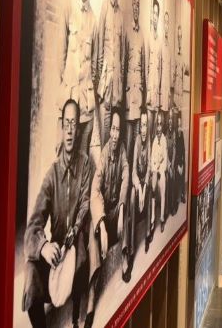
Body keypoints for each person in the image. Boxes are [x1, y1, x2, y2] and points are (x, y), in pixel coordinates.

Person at [22, 99, 92, 328]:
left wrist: (75, 230)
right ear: (62, 129)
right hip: (57, 252)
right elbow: (32, 228)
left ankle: (76, 316)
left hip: (77, 249)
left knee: (81, 250)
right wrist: (44, 246)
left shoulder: (85, 165)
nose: (70, 130)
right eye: (66, 124)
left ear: (78, 129)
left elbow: (85, 203)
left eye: (74, 124)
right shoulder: (51, 175)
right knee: (31, 270)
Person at [86, 108, 129, 327]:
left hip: (115, 213)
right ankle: (91, 299)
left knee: (127, 207)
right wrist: (101, 224)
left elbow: (126, 177)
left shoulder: (122, 151)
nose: (114, 134)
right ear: (109, 130)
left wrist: (121, 207)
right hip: (105, 215)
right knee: (92, 234)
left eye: (118, 130)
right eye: (112, 129)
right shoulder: (103, 155)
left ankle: (125, 256)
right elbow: (95, 191)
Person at [57, 0, 97, 155]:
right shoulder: (67, 4)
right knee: (64, 159)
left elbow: (95, 66)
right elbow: (60, 55)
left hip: (87, 110)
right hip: (69, 102)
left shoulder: (93, 19)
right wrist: (67, 86)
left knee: (82, 160)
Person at [95, 0, 125, 147]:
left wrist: (120, 87)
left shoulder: (121, 15)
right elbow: (99, 49)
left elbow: (121, 58)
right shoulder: (104, 7)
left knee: (115, 143)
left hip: (117, 94)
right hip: (105, 90)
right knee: (105, 142)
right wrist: (99, 85)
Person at [126, 108, 151, 282]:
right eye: (141, 125)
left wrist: (144, 186)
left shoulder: (149, 141)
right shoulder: (136, 141)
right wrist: (138, 187)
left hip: (146, 182)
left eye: (145, 125)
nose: (143, 129)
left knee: (148, 194)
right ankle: (131, 251)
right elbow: (133, 169)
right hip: (137, 182)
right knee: (132, 198)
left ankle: (148, 233)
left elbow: (149, 169)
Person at [124, 0, 146, 166]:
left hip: (138, 98)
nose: (136, 8)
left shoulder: (142, 36)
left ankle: (135, 174)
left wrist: (143, 97)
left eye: (138, 5)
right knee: (128, 140)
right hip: (128, 98)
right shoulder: (127, 33)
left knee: (138, 142)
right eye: (134, 4)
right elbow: (123, 64)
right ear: (132, 7)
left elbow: (144, 70)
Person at [147, 109, 168, 246]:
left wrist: (161, 169)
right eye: (157, 125)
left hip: (161, 171)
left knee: (163, 187)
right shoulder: (154, 141)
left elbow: (165, 160)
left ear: (162, 126)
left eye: (161, 124)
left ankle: (162, 219)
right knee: (153, 193)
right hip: (155, 171)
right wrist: (155, 169)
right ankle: (153, 220)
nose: (159, 128)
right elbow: (153, 159)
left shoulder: (164, 140)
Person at [146, 0, 162, 143]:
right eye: (153, 13)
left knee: (155, 135)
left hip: (157, 98)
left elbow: (160, 71)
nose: (155, 17)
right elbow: (146, 68)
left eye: (157, 14)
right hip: (148, 98)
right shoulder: (148, 37)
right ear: (151, 15)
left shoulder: (159, 42)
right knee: (147, 135)